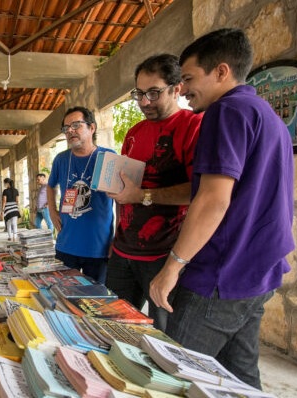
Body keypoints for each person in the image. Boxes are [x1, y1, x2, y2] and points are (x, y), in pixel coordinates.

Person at [149, 28, 294, 389]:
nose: (182, 89)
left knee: (174, 377)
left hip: (222, 275)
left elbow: (213, 199)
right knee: (240, 378)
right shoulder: (268, 116)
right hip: (259, 271)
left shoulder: (225, 111)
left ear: (222, 72)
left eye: (188, 78)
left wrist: (172, 267)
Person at [105, 54, 203, 331]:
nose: (144, 102)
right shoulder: (135, 132)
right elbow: (125, 192)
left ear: (177, 89)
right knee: (114, 327)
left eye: (153, 93)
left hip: (164, 255)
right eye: (139, 94)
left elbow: (200, 191)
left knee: (167, 337)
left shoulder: (193, 126)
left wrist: (142, 196)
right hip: (123, 251)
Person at [47, 106, 115, 284]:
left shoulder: (108, 157)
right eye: (66, 128)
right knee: (64, 297)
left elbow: (121, 200)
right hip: (66, 244)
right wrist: (53, 212)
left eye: (76, 125)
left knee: (96, 301)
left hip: (98, 247)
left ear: (92, 128)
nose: (70, 131)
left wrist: (118, 237)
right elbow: (50, 186)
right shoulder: (61, 159)